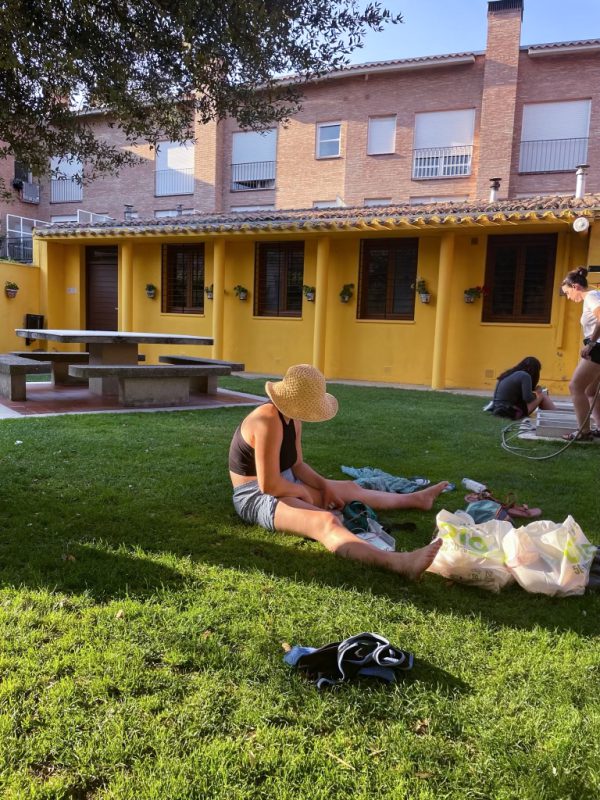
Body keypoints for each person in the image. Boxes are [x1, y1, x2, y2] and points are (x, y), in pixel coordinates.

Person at [228, 364, 447, 580]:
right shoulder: (266, 419)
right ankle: (399, 563)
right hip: (256, 495)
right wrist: (303, 493)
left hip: (284, 482)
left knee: (348, 488)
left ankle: (416, 499)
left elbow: (298, 465)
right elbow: (269, 485)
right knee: (325, 521)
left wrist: (325, 487)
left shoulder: (292, 417)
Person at [560, 266, 600, 441]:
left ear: (576, 286)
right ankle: (598, 427)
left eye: (568, 293)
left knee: (575, 386)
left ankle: (584, 432)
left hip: (598, 348)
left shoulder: (590, 297)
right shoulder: (595, 295)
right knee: (591, 390)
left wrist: (590, 343)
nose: (569, 297)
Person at [491, 356, 556, 419]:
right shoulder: (525, 376)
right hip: (510, 412)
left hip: (498, 409)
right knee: (543, 395)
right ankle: (555, 415)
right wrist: (538, 393)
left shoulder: (510, 373)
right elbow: (528, 398)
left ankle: (552, 414)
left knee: (540, 396)